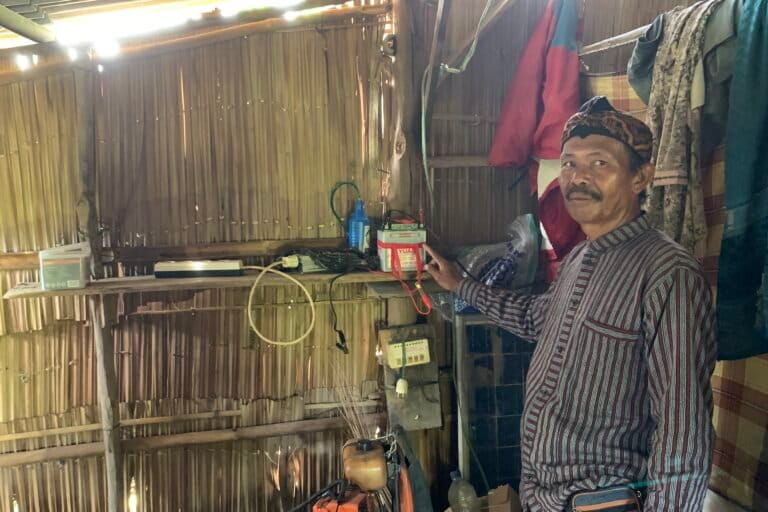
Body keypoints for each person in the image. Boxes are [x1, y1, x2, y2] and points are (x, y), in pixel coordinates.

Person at [425, 97, 717, 512]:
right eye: (569, 163)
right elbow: (535, 319)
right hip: (544, 498)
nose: (578, 177)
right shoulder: (580, 257)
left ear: (641, 177)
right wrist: (461, 285)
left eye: (599, 163)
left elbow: (683, 427)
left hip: (606, 503)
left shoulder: (668, 273)